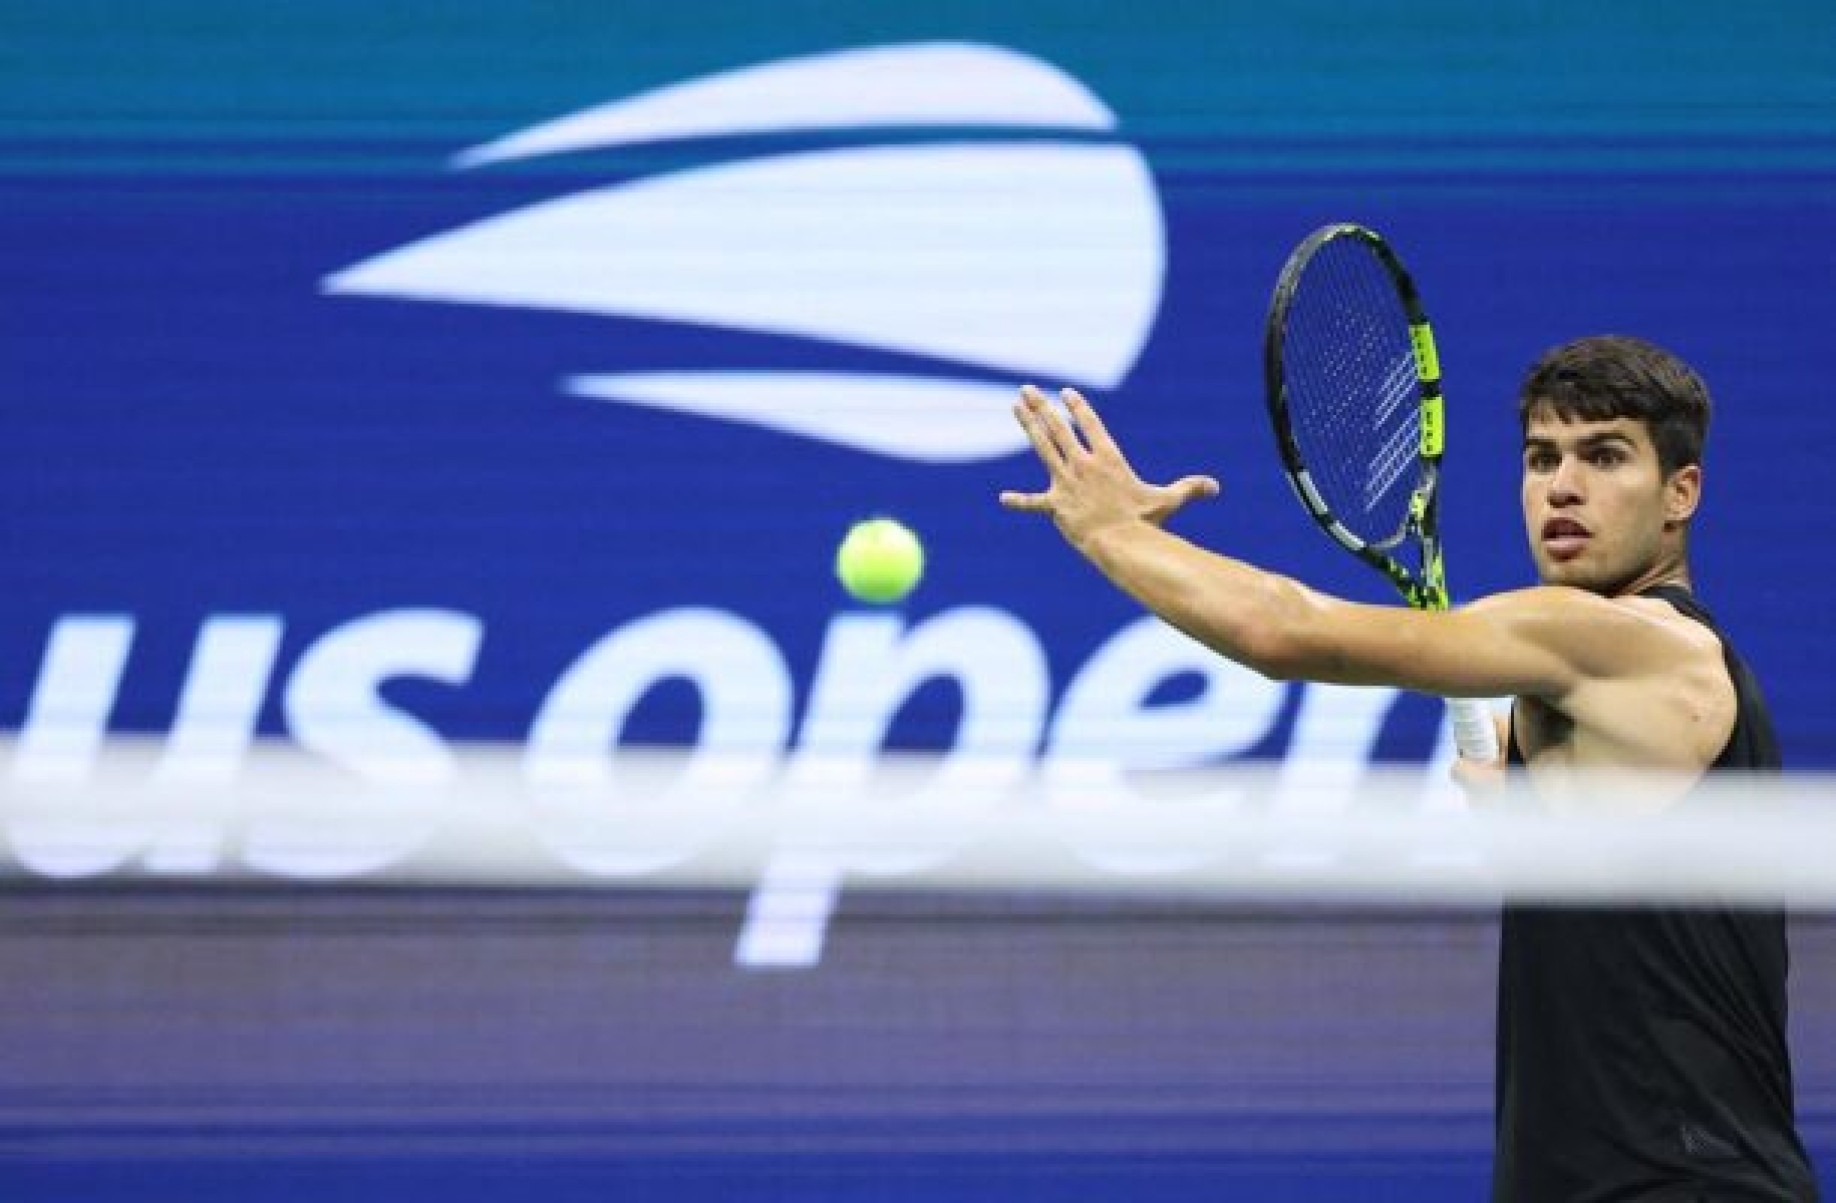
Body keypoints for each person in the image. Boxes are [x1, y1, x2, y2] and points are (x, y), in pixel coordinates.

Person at [1000, 335, 1819, 1201]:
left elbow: (1283, 631)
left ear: (1679, 494)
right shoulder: (1590, 696)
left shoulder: (1635, 640)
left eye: (1605, 455)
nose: (1563, 486)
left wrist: (1110, 533)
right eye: (1542, 458)